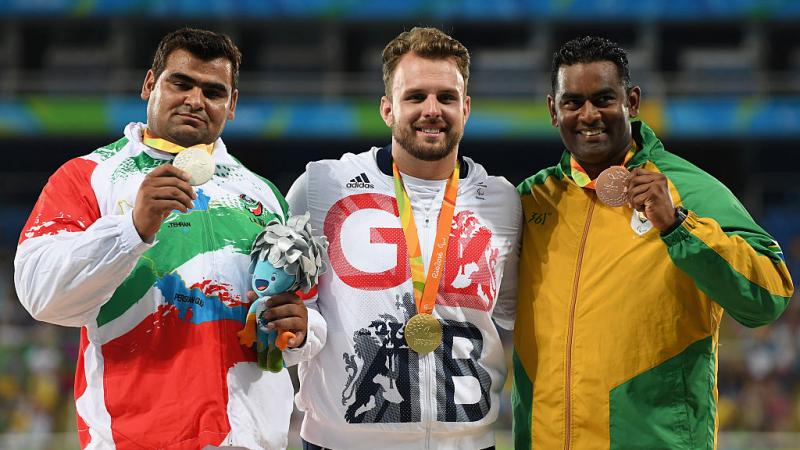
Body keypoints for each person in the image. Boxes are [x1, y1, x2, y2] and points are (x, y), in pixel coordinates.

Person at [13, 28, 322, 450]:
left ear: (231, 106)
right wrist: (131, 229)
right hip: (134, 440)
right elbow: (40, 294)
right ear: (149, 85)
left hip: (250, 441)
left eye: (213, 91)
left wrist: (303, 331)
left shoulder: (262, 194)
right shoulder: (88, 176)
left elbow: (299, 316)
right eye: (181, 82)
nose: (195, 100)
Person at [512, 35, 795, 449]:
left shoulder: (688, 189)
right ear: (553, 111)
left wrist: (679, 225)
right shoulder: (531, 200)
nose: (588, 115)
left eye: (603, 99)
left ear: (632, 101)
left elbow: (769, 296)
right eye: (573, 102)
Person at [286, 27, 521, 450]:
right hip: (340, 442)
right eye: (415, 96)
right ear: (387, 109)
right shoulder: (321, 186)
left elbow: (516, 314)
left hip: (469, 443)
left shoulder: (503, 201)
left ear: (466, 108)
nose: (432, 109)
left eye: (446, 97)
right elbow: (292, 316)